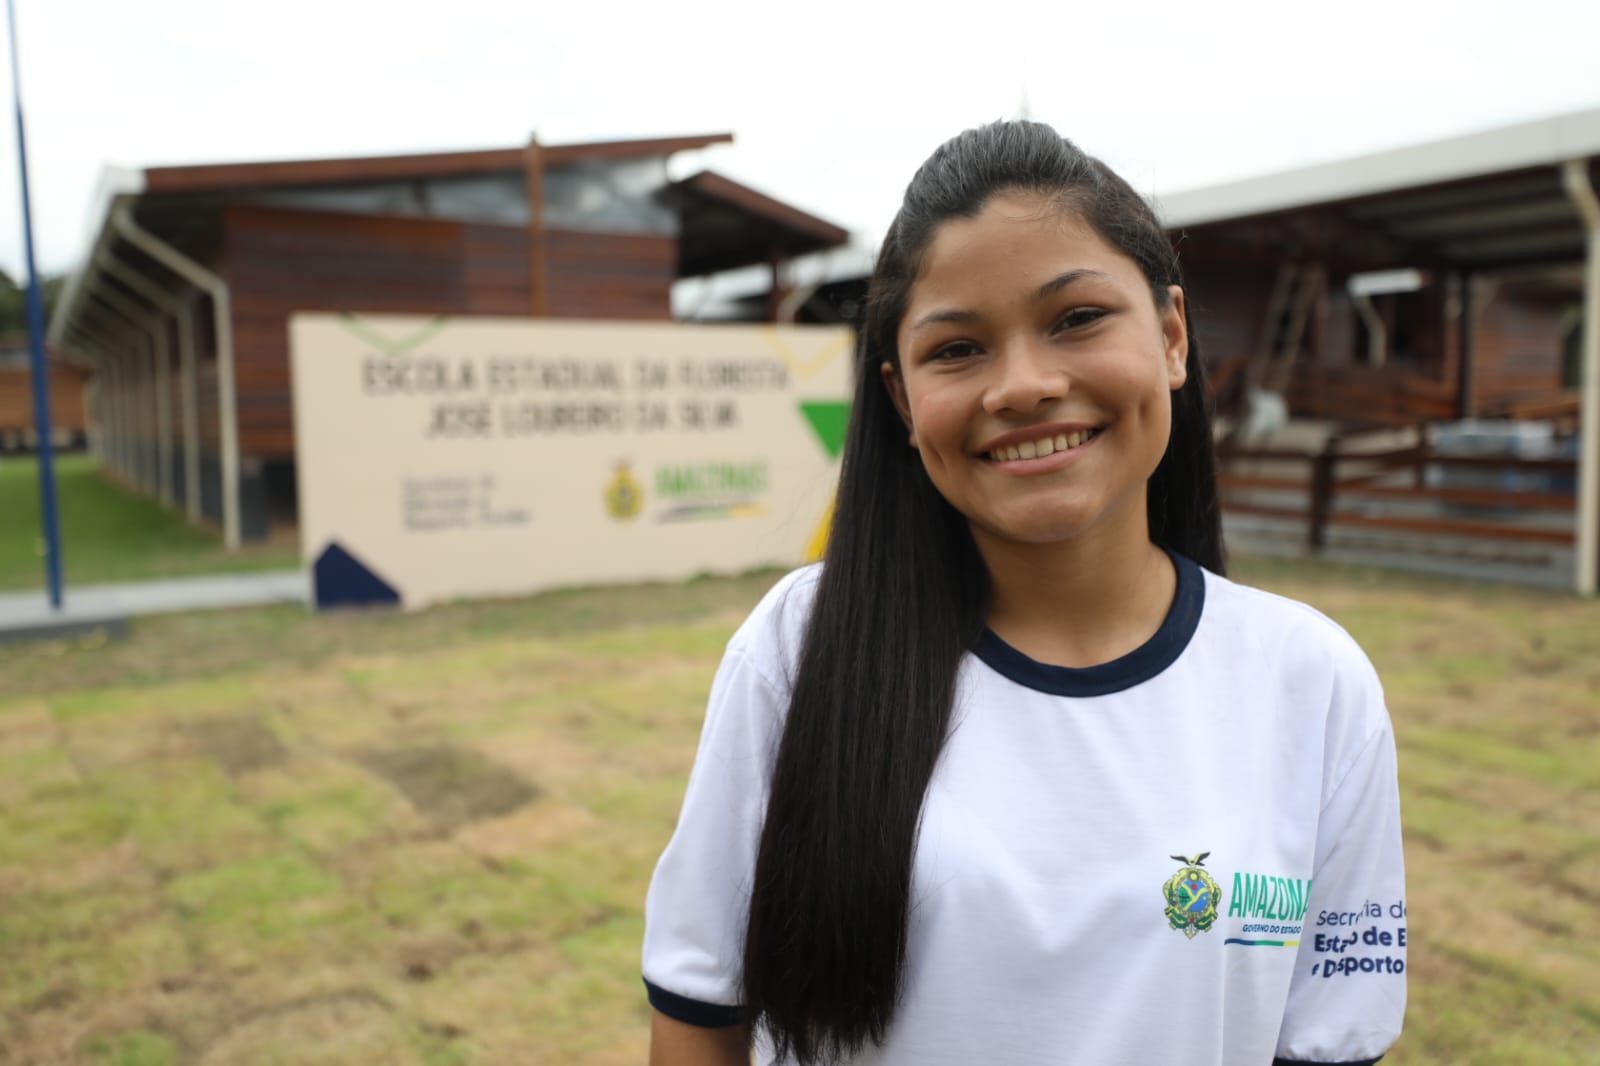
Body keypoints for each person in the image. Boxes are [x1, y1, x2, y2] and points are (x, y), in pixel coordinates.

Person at [641, 120, 1406, 1066]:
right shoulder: (798, 650)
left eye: (1077, 319)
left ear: (1171, 336)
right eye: (957, 349)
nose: (1025, 385)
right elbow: (698, 1012)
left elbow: (1327, 1042)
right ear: (900, 398)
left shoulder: (1312, 681)